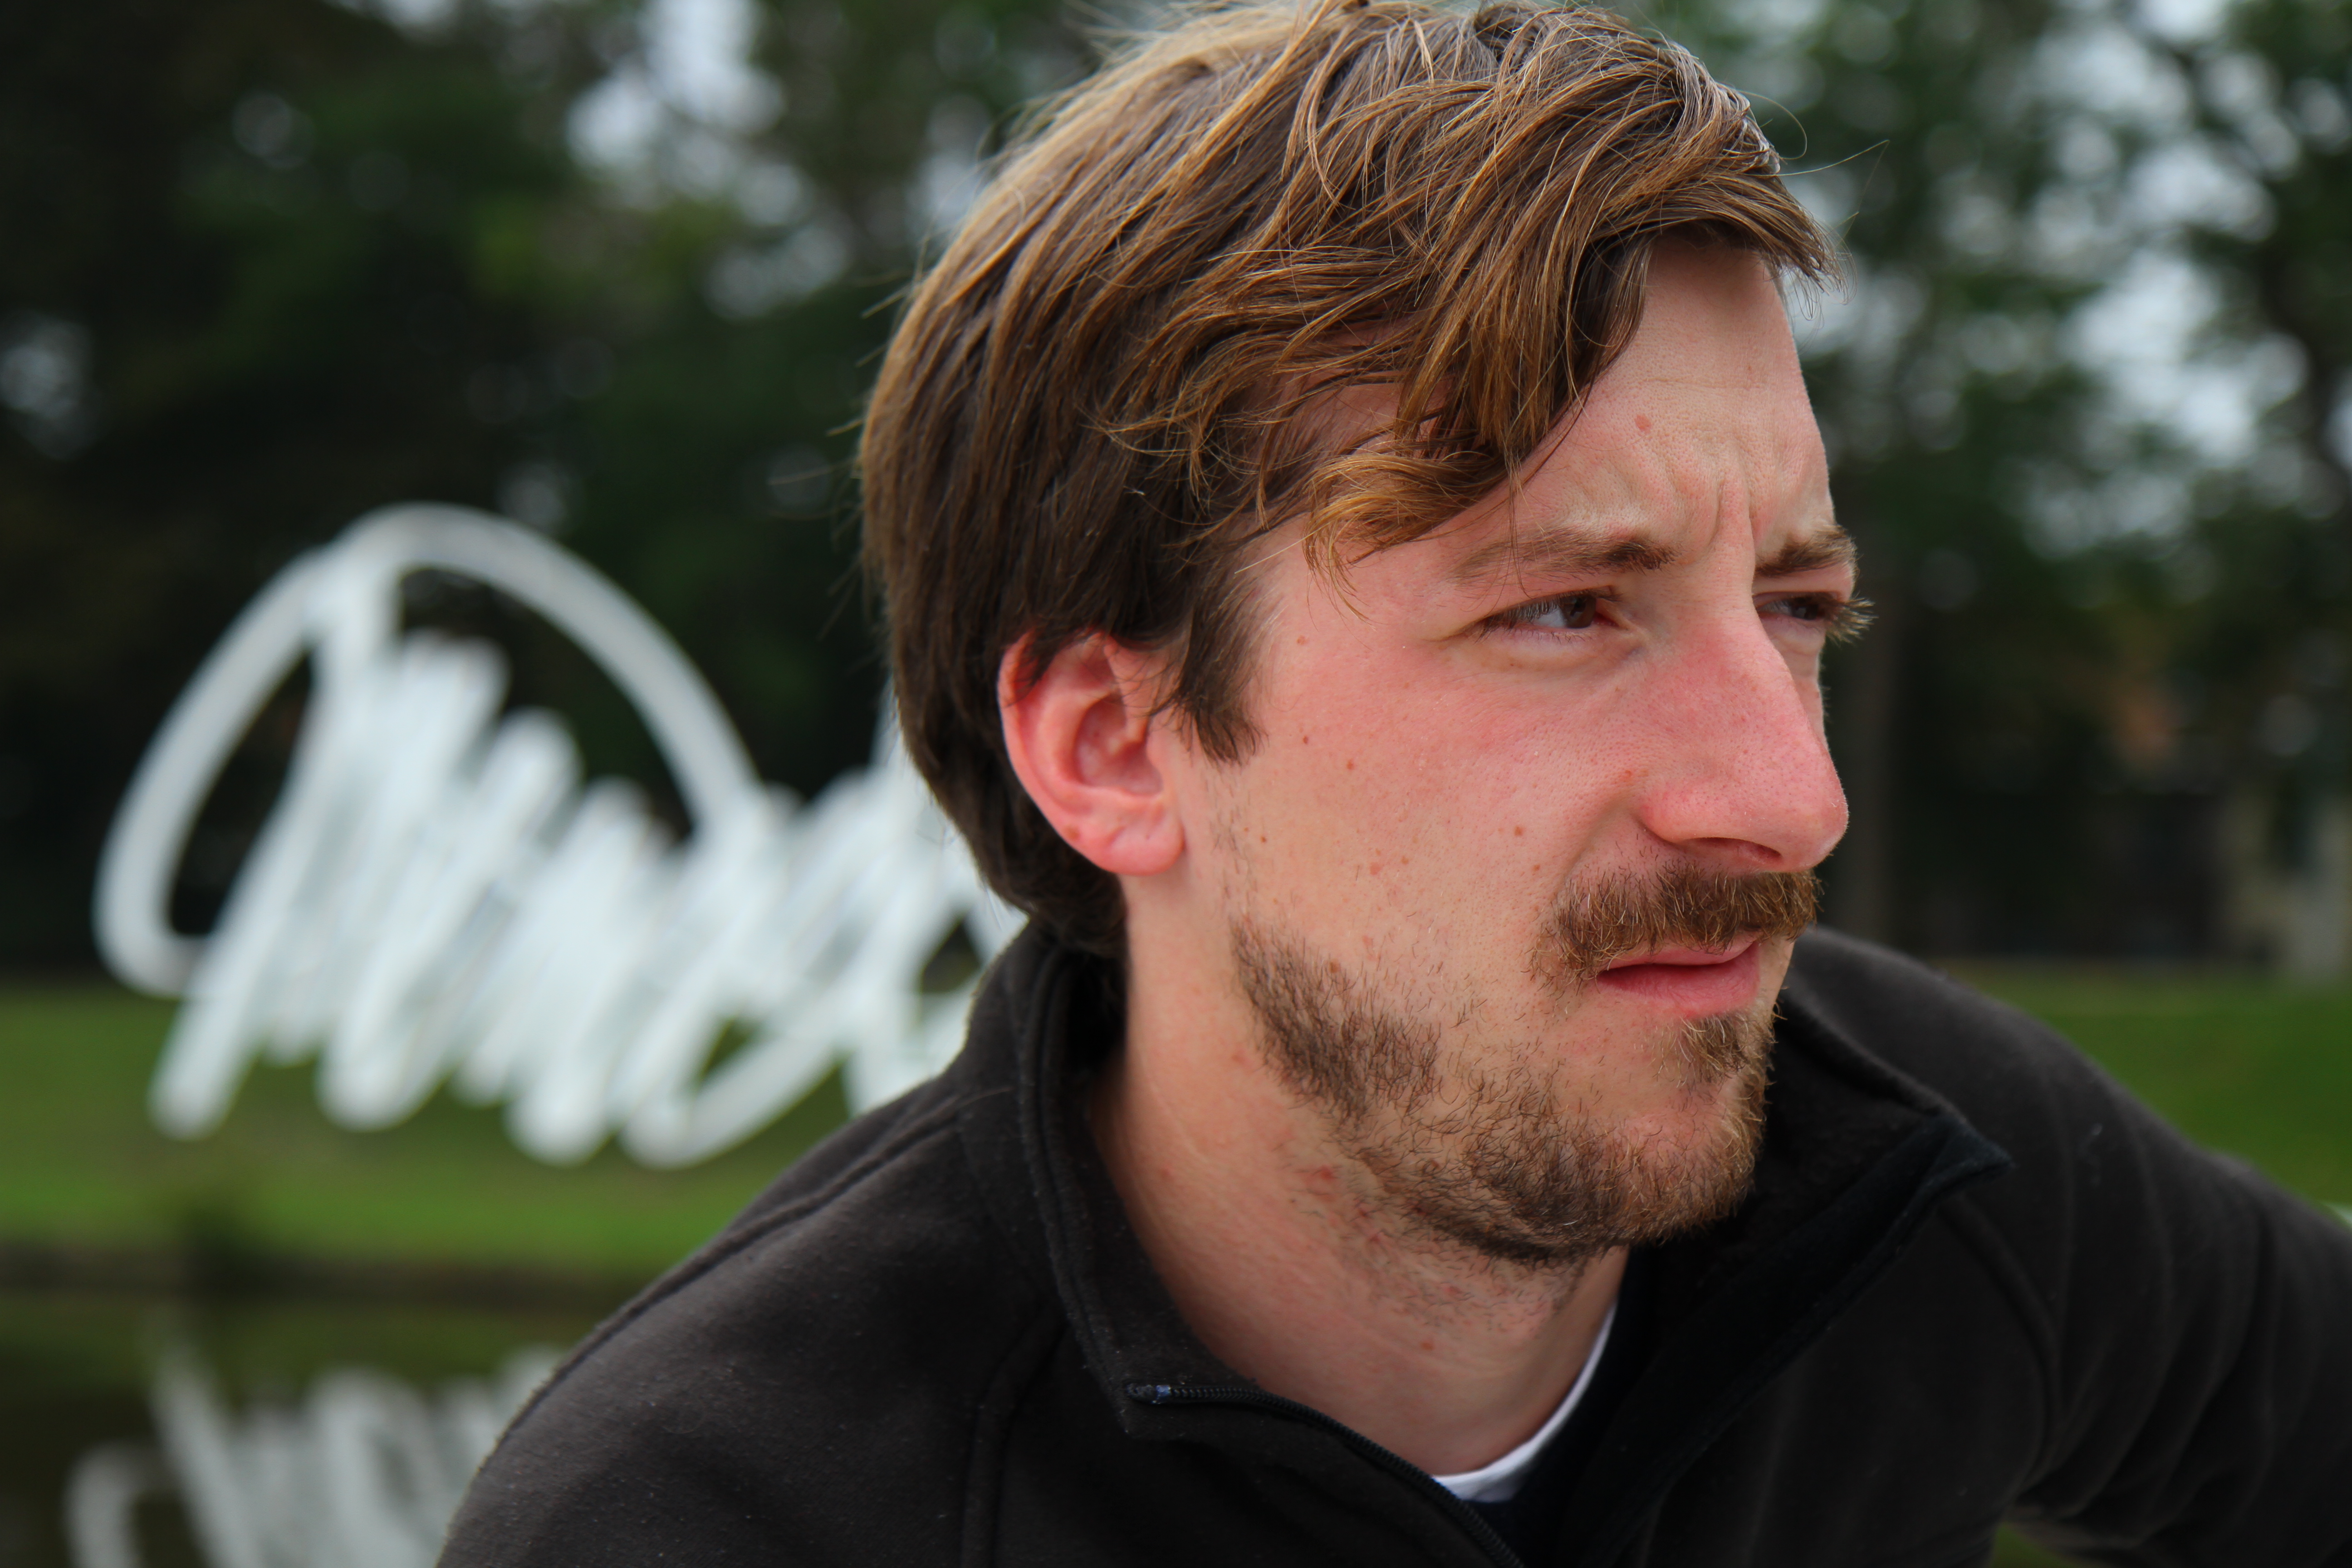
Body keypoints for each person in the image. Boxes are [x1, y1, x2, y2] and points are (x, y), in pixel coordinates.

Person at [439, 2, 2352, 1563]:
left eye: (1795, 605)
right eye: (1564, 610)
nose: (1792, 799)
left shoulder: (1928, 1178)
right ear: (1115, 747)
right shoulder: (714, 1519)